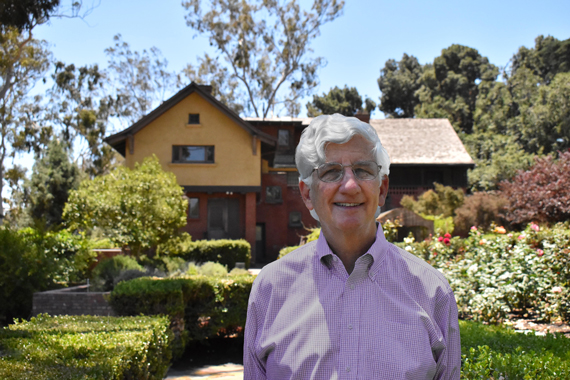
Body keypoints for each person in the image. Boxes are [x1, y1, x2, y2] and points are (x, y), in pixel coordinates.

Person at [244, 114, 461, 379]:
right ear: (306, 193)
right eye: (331, 172)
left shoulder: (432, 292)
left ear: (382, 189)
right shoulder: (270, 289)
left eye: (363, 170)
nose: (349, 185)